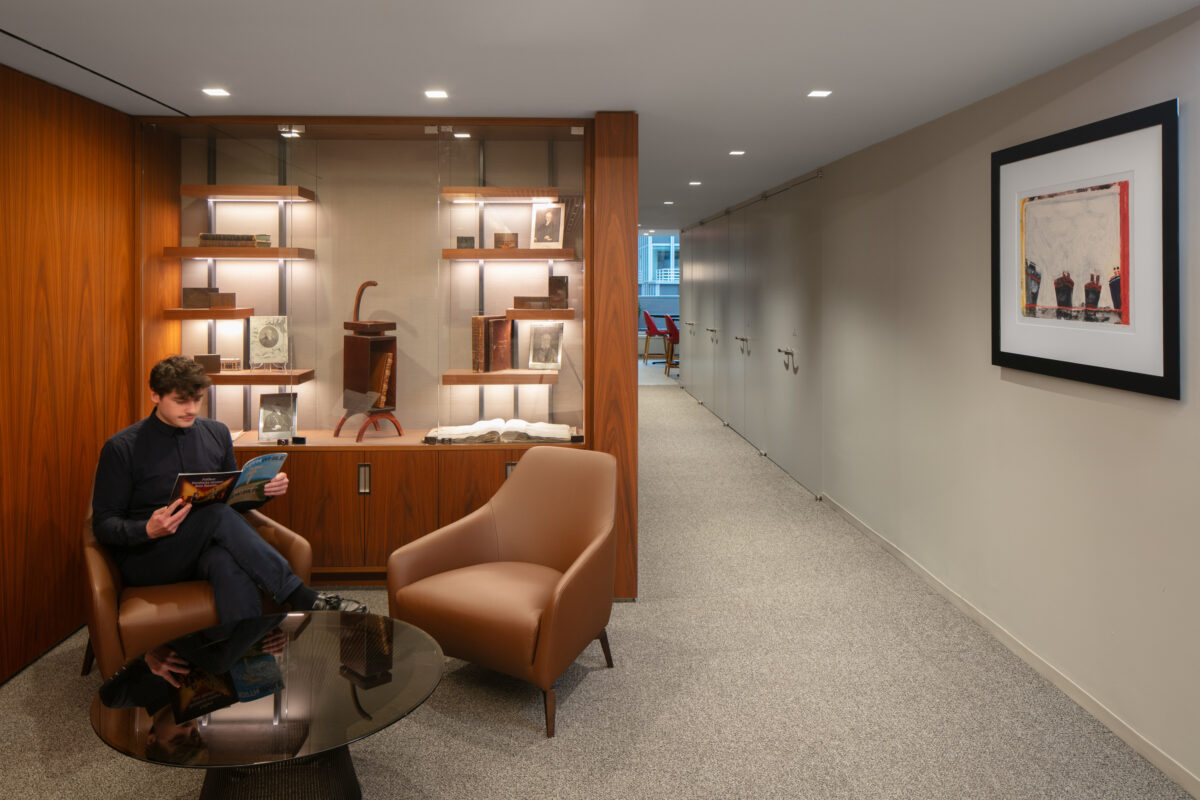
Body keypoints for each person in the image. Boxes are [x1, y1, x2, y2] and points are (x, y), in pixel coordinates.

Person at [92, 355, 362, 623]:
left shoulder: (216, 433)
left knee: (226, 561)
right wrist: (146, 529)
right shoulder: (122, 448)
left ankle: (243, 654)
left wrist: (261, 490)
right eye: (180, 401)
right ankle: (298, 595)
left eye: (197, 399)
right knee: (216, 515)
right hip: (150, 556)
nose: (192, 409)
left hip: (204, 546)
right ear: (154, 395)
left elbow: (232, 503)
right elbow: (103, 524)